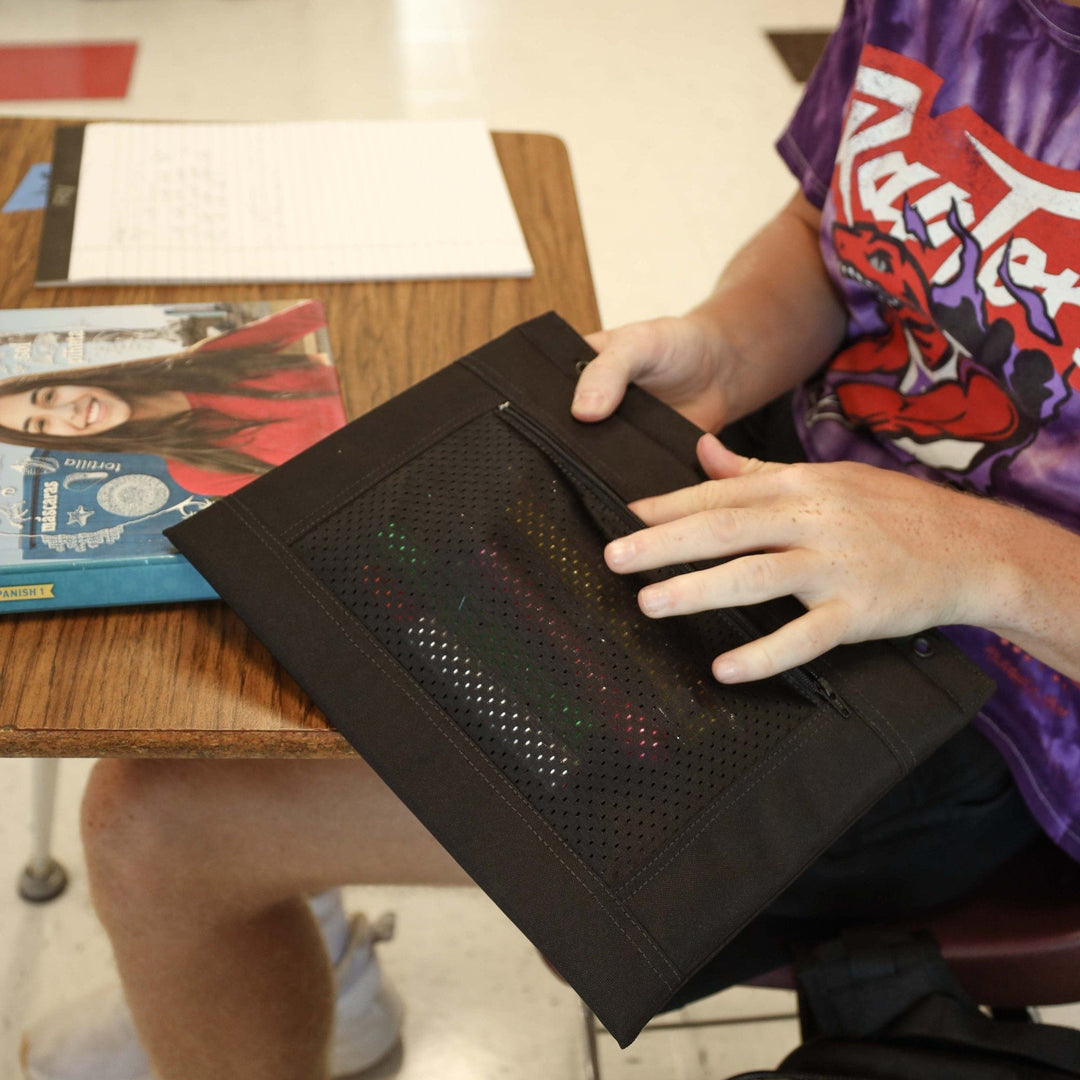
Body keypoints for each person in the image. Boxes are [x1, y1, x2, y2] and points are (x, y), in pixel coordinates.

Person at [20, 0, 1080, 1077]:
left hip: (1005, 703)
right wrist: (724, 347)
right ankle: (274, 974)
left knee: (157, 826)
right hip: (779, 490)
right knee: (311, 579)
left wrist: (975, 554)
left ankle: (231, 956)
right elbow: (826, 229)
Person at [0, 300, 347, 497]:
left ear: (68, 379)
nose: (67, 411)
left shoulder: (207, 358)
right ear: (52, 440)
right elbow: (320, 493)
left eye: (48, 396)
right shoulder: (198, 473)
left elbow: (321, 312)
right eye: (43, 424)